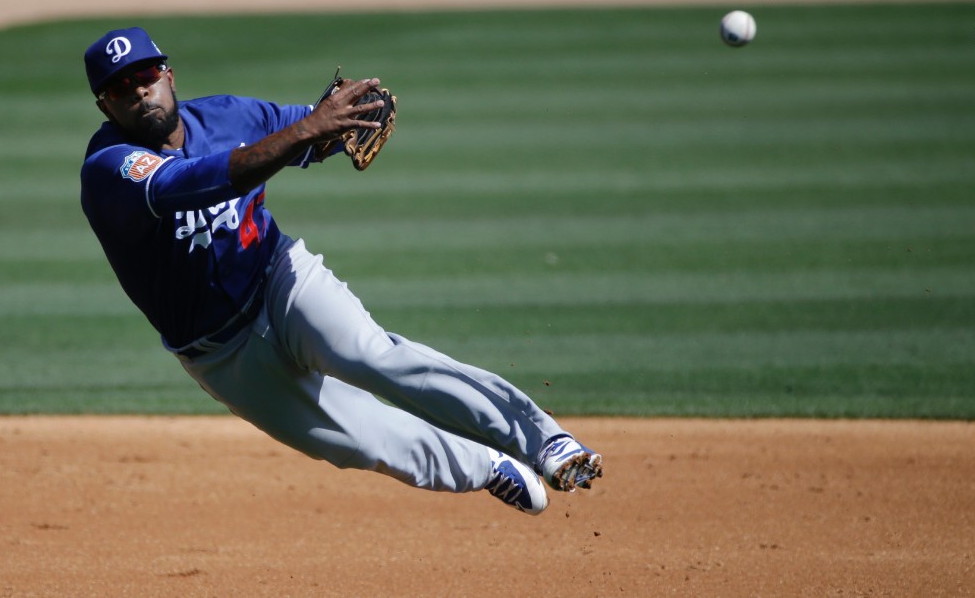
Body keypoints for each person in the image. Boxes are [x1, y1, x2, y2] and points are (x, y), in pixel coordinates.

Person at [80, 27, 602, 515]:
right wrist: (309, 127)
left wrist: (339, 122)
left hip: (281, 278)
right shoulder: (109, 166)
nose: (139, 92)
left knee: (372, 355)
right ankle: (488, 466)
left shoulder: (229, 116)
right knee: (360, 439)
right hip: (219, 352)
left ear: (169, 74)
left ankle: (544, 439)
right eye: (121, 87)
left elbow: (312, 131)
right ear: (104, 105)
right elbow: (205, 178)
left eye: (146, 76)